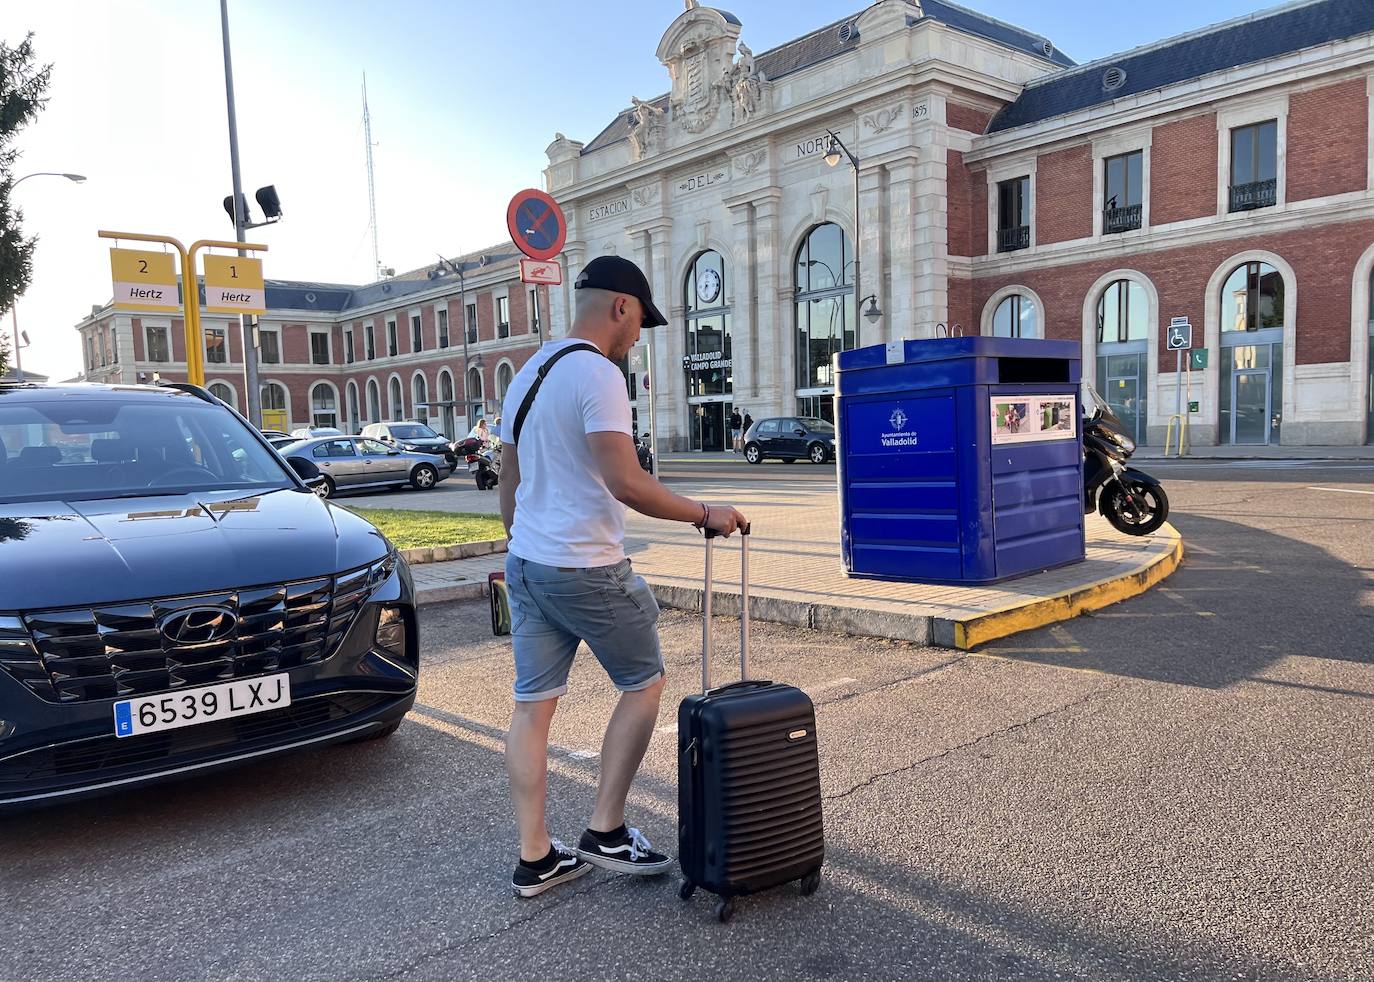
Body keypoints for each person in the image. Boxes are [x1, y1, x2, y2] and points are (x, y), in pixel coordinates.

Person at [499, 255, 748, 898]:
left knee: (533, 707)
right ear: (620, 307)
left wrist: (525, 545)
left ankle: (535, 858)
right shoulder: (601, 375)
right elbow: (624, 479)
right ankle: (605, 829)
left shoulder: (527, 372)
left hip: (527, 565)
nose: (639, 335)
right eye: (640, 320)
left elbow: (510, 482)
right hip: (587, 566)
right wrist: (705, 514)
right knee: (644, 683)